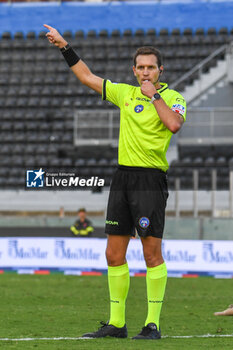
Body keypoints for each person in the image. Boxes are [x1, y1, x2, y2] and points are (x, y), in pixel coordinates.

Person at [44, 24, 186, 340]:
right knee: (113, 255)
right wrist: (65, 46)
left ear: (160, 70)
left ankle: (152, 325)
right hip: (122, 178)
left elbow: (174, 125)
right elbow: (87, 77)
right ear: (133, 70)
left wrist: (154, 98)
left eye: (151, 68)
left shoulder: (173, 97)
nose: (146, 72)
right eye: (141, 67)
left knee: (151, 255)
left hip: (150, 179)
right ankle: (116, 324)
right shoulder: (124, 92)